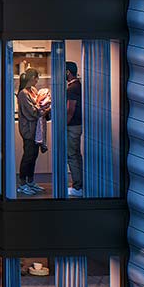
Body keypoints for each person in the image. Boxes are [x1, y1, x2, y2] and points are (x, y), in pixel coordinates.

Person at [15, 68, 49, 196]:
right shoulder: (23, 94)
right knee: (28, 156)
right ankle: (22, 184)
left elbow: (37, 107)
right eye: (36, 77)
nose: (37, 80)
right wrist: (43, 110)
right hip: (28, 130)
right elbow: (32, 112)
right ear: (31, 78)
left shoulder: (33, 91)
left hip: (36, 130)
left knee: (34, 156)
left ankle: (30, 181)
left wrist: (41, 108)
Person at [63, 61, 84, 197]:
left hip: (73, 127)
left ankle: (77, 187)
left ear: (68, 72)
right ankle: (80, 184)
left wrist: (63, 126)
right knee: (76, 155)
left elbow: (70, 110)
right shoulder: (78, 86)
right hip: (77, 125)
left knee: (72, 156)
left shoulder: (72, 88)